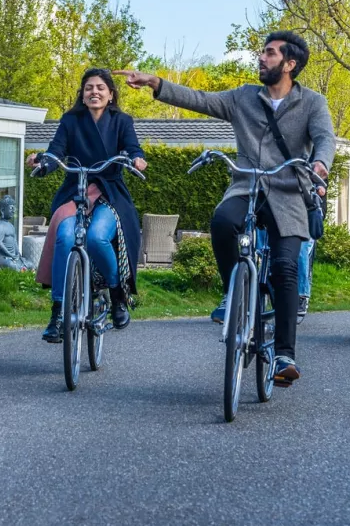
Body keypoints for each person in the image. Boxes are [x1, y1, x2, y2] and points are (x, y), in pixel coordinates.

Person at [120, 31, 333, 386]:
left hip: (290, 191)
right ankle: (234, 292)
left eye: (269, 53)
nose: (261, 58)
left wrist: (321, 163)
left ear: (290, 64)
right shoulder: (243, 97)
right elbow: (199, 99)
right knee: (221, 221)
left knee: (284, 267)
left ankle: (284, 355)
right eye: (262, 53)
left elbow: (325, 137)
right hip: (247, 185)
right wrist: (155, 83)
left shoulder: (313, 103)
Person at [32, 69, 147, 341]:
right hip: (75, 190)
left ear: (110, 95)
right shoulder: (70, 121)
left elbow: (133, 148)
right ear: (82, 96)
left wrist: (136, 159)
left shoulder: (122, 121)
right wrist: (43, 162)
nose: (94, 92)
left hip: (110, 192)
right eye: (88, 88)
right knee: (64, 234)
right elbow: (55, 151)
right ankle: (58, 312)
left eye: (100, 88)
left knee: (97, 238)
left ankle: (117, 293)